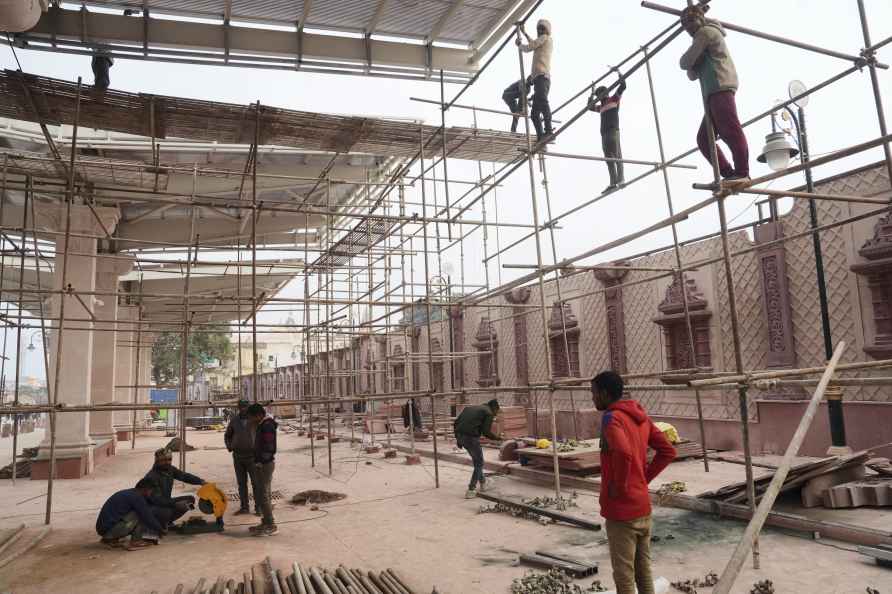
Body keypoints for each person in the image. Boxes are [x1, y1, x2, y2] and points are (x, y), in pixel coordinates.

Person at [591, 371, 676, 594]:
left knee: (624, 575)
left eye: (594, 393)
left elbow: (623, 452)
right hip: (642, 507)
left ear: (605, 393)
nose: (593, 399)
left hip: (622, 511)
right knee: (643, 571)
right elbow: (667, 451)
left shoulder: (611, 418)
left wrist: (619, 487)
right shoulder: (641, 416)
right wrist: (643, 479)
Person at [678, 5, 749, 184]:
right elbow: (692, 74)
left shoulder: (706, 32)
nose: (689, 27)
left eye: (692, 20)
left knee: (730, 130)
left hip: (720, 86)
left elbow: (685, 63)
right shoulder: (700, 40)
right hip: (711, 93)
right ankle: (728, 173)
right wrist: (695, 61)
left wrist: (694, 60)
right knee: (704, 139)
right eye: (685, 24)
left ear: (701, 19)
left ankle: (742, 172)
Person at [95, 478, 164, 550]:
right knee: (139, 514)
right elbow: (148, 517)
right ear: (146, 489)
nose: (151, 493)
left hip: (103, 529)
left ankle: (109, 539)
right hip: (109, 530)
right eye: (151, 490)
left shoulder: (130, 493)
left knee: (136, 513)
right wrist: (160, 529)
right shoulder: (137, 497)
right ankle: (136, 541)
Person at [453, 399, 502, 499]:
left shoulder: (470, 408)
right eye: (496, 412)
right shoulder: (489, 412)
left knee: (477, 461)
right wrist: (498, 438)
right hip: (471, 438)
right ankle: (471, 489)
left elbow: (456, 423)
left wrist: (458, 439)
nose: (495, 415)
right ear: (494, 408)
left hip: (460, 436)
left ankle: (483, 483)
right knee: (479, 463)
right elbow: (486, 431)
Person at [144, 448, 205, 528]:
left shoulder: (170, 470)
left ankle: (167, 522)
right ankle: (159, 523)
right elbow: (157, 501)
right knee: (167, 511)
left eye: (169, 459)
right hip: (152, 508)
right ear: (157, 461)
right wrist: (175, 504)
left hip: (165, 503)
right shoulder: (151, 477)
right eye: (164, 460)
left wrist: (201, 482)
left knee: (189, 500)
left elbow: (184, 476)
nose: (167, 462)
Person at [588, 74, 627, 194]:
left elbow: (623, 86)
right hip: (604, 134)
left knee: (617, 157)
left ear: (605, 93)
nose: (599, 98)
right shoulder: (601, 107)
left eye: (599, 95)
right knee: (609, 160)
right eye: (597, 96)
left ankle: (621, 180)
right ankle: (613, 183)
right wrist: (592, 92)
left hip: (613, 131)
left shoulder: (614, 99)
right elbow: (590, 107)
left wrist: (618, 73)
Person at [516, 19, 553, 143]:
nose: (540, 31)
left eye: (542, 29)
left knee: (543, 101)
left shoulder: (545, 38)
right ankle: (541, 136)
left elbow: (529, 47)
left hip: (542, 78)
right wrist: (525, 33)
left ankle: (548, 131)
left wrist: (520, 46)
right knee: (534, 114)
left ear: (547, 30)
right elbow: (534, 43)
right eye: (539, 29)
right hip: (538, 80)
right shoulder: (542, 41)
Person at [224, 399, 260, 515]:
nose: (243, 409)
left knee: (256, 483)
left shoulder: (254, 420)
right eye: (241, 407)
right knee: (241, 483)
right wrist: (230, 446)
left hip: (252, 457)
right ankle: (244, 507)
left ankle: (258, 507)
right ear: (238, 408)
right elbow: (227, 435)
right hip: (238, 457)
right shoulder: (234, 421)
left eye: (245, 406)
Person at [247, 403, 278, 536]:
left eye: (252, 417)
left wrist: (261, 460)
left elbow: (269, 446)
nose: (251, 420)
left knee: (264, 495)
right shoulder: (262, 424)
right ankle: (265, 521)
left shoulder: (267, 425)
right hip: (262, 463)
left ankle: (270, 524)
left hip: (265, 464)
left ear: (258, 415)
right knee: (263, 493)